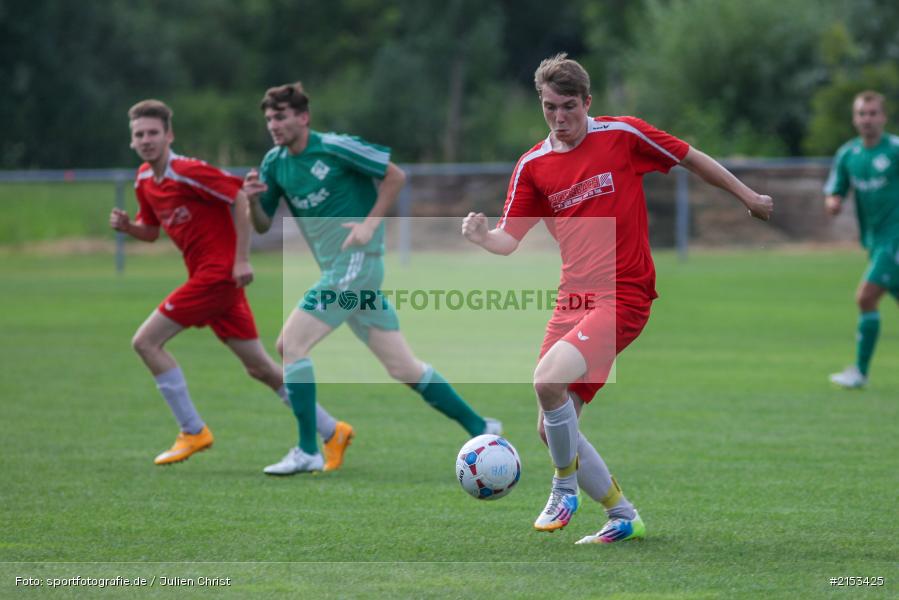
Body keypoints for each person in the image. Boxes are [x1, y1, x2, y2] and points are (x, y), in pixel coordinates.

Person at [462, 54, 773, 544]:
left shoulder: (623, 135)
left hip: (624, 294)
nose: (560, 119)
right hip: (574, 300)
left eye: (569, 107)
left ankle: (564, 488)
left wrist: (747, 196)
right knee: (550, 427)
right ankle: (623, 515)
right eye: (550, 108)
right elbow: (509, 239)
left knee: (546, 381)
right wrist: (483, 237)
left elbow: (690, 156)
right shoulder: (533, 166)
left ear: (588, 102)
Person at [242, 82, 501, 475]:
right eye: (268, 119)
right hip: (347, 278)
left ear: (303, 117)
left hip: (356, 266)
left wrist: (368, 224)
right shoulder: (274, 163)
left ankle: (309, 448)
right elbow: (261, 226)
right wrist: (250, 200)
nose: (273, 125)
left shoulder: (335, 147)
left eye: (280, 117)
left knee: (290, 343)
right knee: (403, 367)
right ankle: (482, 427)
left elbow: (395, 176)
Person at [110, 99, 353, 471]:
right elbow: (151, 230)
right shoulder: (144, 179)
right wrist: (129, 228)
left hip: (218, 276)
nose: (146, 140)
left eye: (153, 133)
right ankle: (331, 430)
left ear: (169, 135)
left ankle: (192, 430)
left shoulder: (188, 171)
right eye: (139, 134)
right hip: (212, 282)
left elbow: (239, 196)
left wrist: (241, 258)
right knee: (260, 368)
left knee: (145, 342)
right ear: (132, 141)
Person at [825, 91, 899, 389]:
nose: (867, 119)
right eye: (861, 114)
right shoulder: (848, 155)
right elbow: (835, 189)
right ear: (855, 119)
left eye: (872, 113)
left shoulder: (895, 150)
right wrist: (833, 201)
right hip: (873, 239)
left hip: (894, 238)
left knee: (865, 297)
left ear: (883, 117)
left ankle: (860, 372)